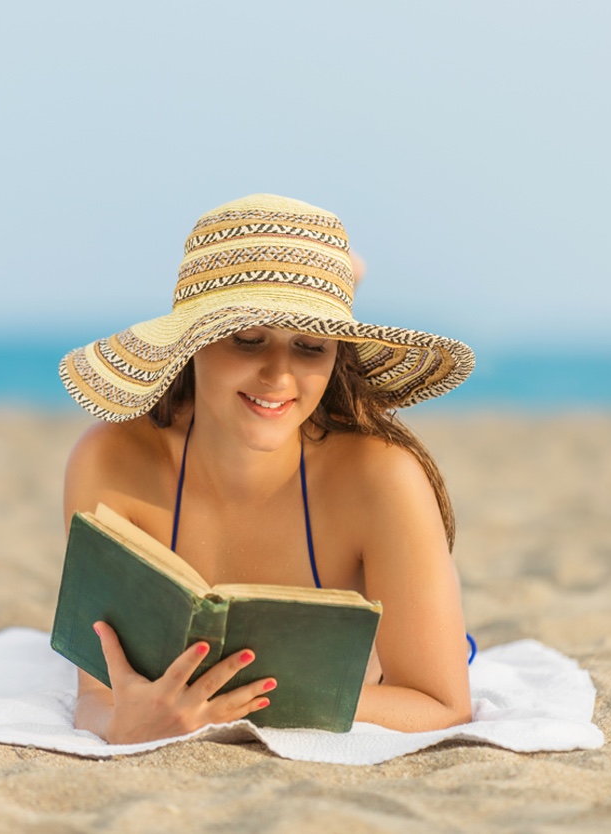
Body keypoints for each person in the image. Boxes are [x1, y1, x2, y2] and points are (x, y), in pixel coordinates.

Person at [58, 193, 477, 744]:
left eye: (311, 347)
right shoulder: (110, 461)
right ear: (194, 343)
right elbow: (97, 696)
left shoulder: (382, 479)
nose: (278, 376)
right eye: (248, 339)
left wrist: (233, 707)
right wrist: (119, 722)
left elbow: (442, 703)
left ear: (336, 357)